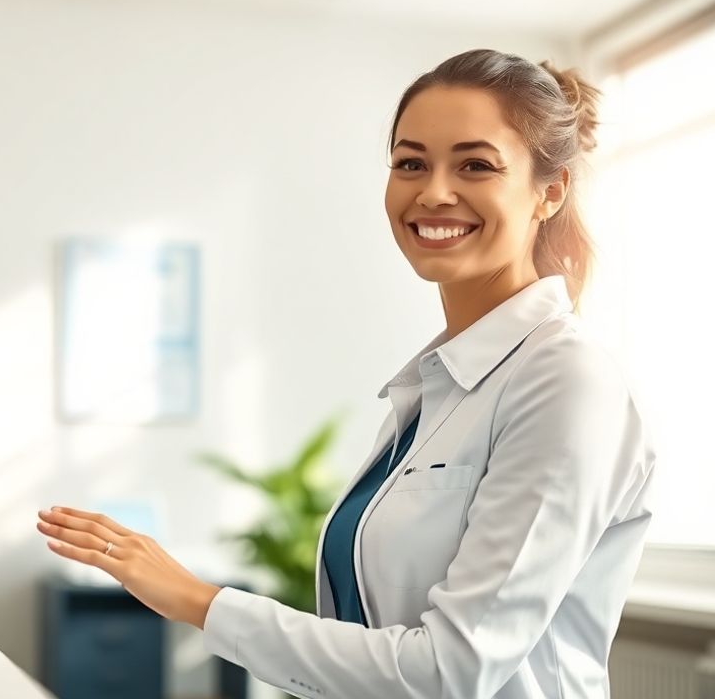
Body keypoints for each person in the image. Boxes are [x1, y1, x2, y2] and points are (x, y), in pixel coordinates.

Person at [36, 48, 655, 698]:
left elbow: (452, 671)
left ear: (549, 191)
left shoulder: (566, 382)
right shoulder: (440, 387)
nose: (434, 191)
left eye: (475, 164)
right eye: (411, 162)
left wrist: (197, 600)